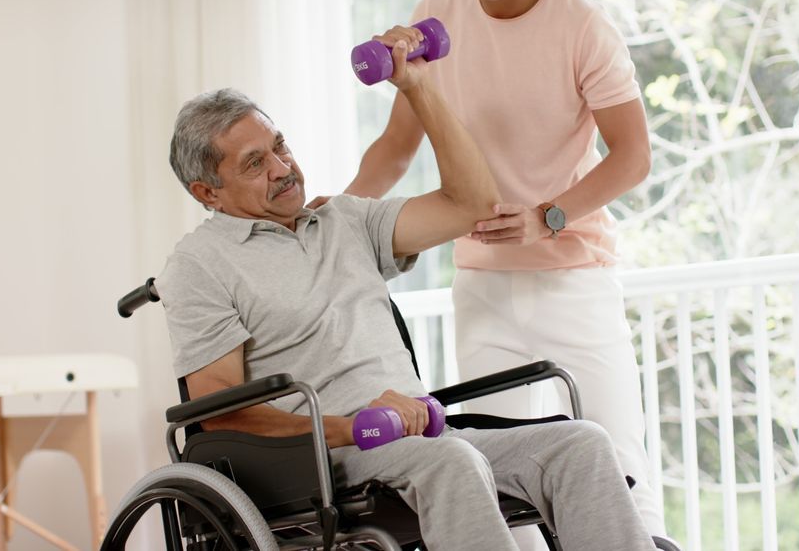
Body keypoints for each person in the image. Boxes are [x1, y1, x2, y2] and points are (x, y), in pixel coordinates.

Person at [155, 36, 655, 551]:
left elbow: (472, 203)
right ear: (207, 192)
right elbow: (221, 415)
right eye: (254, 163)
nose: (283, 169)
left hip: (423, 437)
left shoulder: (344, 219)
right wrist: (352, 428)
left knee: (580, 444)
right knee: (451, 460)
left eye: (279, 146)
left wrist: (416, 86)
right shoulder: (198, 265)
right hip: (325, 460)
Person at [319, 0, 667, 542]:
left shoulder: (581, 24)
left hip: (573, 280)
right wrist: (334, 217)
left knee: (620, 467)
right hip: (481, 286)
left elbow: (633, 156)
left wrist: (547, 216)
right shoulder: (436, 12)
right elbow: (397, 147)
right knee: (504, 478)